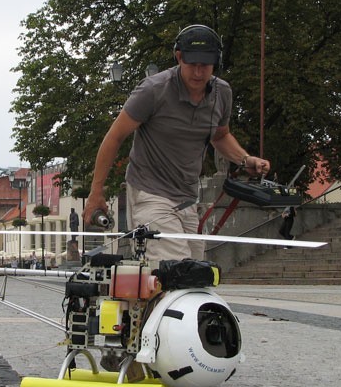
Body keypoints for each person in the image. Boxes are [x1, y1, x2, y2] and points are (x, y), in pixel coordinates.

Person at [83, 24, 270, 263]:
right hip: (150, 192)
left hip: (187, 198)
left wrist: (245, 159)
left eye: (206, 65)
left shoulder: (222, 93)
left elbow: (220, 135)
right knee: (176, 268)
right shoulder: (153, 90)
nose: (199, 72)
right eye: (192, 64)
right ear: (179, 57)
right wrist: (96, 192)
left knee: (196, 271)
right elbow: (114, 137)